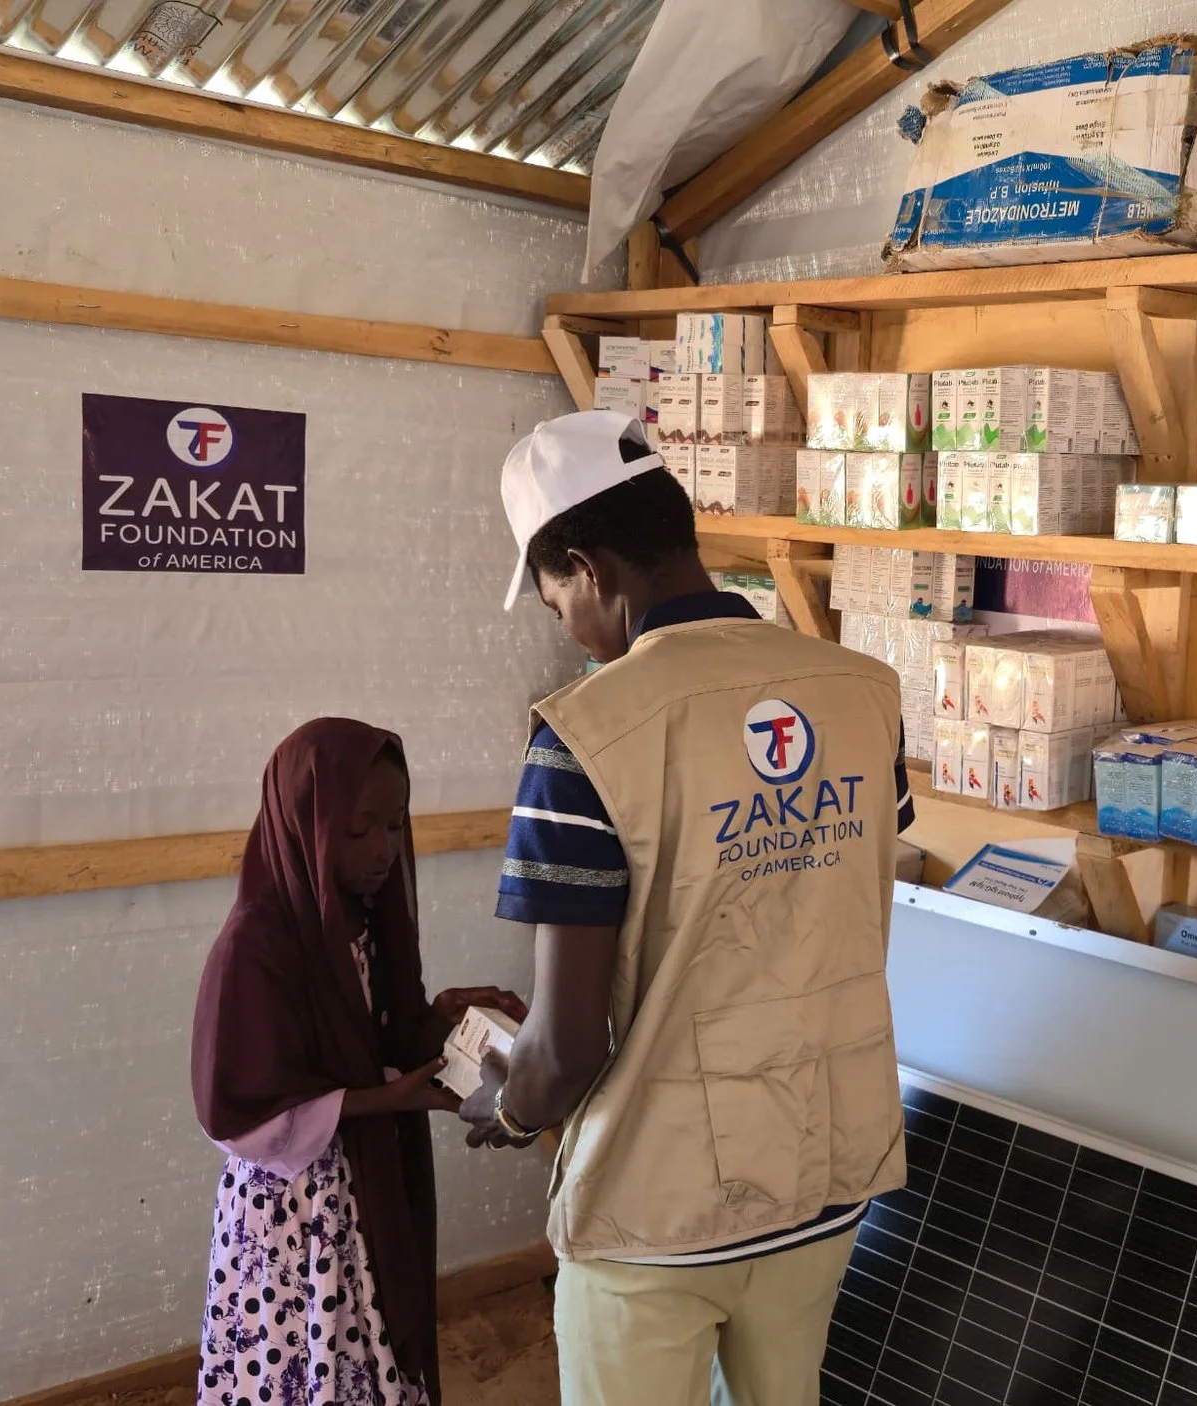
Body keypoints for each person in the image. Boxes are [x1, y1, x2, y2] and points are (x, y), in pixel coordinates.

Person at [460, 410, 915, 1406]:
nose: (569, 629)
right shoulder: (862, 693)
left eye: (554, 602)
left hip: (659, 1211)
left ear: (587, 566)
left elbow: (566, 1047)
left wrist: (508, 1101)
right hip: (824, 1175)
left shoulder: (583, 736)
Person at [190, 717, 525, 1406]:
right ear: (305, 823)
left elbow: (376, 1041)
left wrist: (442, 1020)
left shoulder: (364, 924)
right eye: (358, 830)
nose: (383, 849)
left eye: (396, 826)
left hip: (363, 1195)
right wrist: (390, 1099)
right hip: (296, 1221)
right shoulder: (255, 946)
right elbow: (240, 1119)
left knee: (365, 1366)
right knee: (307, 1368)